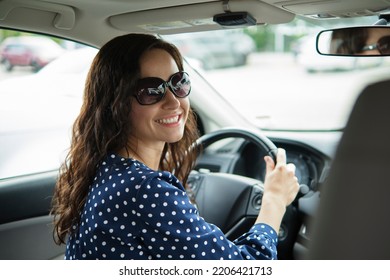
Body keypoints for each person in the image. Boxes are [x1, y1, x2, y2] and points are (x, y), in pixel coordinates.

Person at [51, 33, 300, 260]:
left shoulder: (105, 168)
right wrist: (274, 200)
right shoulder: (145, 190)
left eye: (178, 82)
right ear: (115, 104)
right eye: (150, 90)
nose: (173, 101)